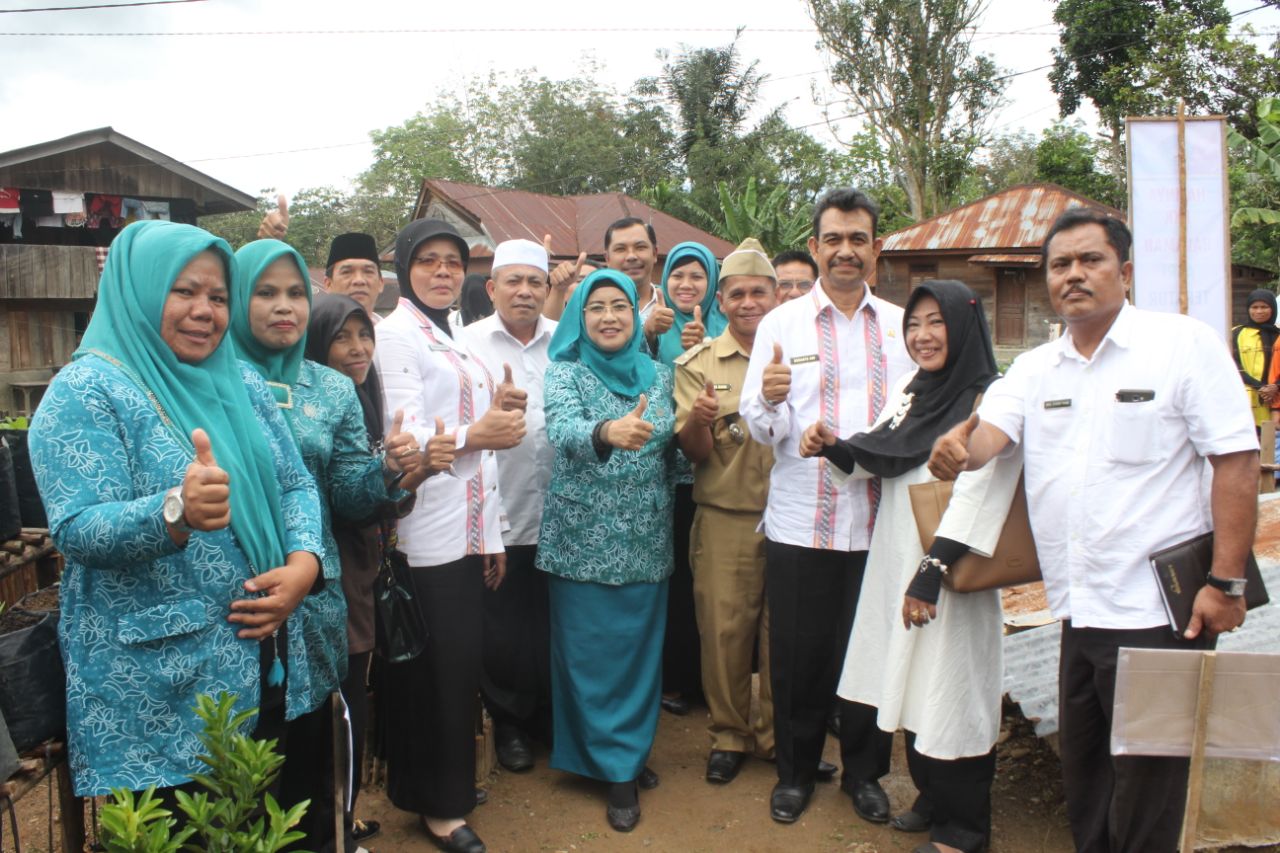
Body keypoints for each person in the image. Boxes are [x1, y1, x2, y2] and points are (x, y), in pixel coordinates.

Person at [929, 209, 1258, 853]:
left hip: (1164, 616)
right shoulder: (1035, 370)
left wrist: (1227, 581)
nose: (1073, 275)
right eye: (1059, 265)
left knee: (1151, 785)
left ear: (1125, 271)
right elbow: (988, 438)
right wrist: (958, 449)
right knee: (1088, 776)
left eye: (1090, 260)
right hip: (1079, 611)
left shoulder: (1182, 345)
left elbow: (1238, 464)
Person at [29, 220, 324, 797]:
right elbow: (76, 527)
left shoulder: (239, 380)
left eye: (217, 297)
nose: (204, 311)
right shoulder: (88, 390)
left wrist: (303, 565)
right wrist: (175, 512)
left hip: (264, 654)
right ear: (138, 288)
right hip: (157, 688)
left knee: (264, 824)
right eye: (183, 291)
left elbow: (295, 484)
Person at [800, 280, 1011, 853]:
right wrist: (832, 445)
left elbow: (985, 492)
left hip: (951, 567)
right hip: (898, 555)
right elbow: (883, 455)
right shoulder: (912, 389)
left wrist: (932, 571)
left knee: (951, 689)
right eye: (914, 323)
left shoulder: (989, 397)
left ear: (965, 326)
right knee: (915, 685)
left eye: (936, 322)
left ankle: (964, 829)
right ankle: (932, 797)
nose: (922, 335)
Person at [230, 239, 426, 852]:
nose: (284, 307)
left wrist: (387, 473)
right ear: (237, 300)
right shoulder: (209, 379)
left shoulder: (330, 389)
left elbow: (344, 492)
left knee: (311, 750)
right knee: (233, 752)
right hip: (227, 597)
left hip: (313, 596)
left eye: (295, 293)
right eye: (265, 293)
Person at [741, 188, 914, 824]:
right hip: (799, 519)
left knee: (871, 651)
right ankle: (795, 773)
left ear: (876, 247)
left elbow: (914, 416)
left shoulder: (901, 326)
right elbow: (757, 426)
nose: (846, 251)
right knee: (797, 655)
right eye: (833, 239)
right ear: (815, 248)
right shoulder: (781, 326)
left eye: (858, 239)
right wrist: (772, 401)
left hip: (879, 521)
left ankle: (865, 775)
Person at [375, 218, 526, 853]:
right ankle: (439, 806)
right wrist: (476, 435)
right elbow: (401, 436)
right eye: (429, 261)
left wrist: (491, 534)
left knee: (458, 667)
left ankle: (441, 785)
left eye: (452, 262)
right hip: (424, 532)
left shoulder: (455, 335)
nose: (442, 271)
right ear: (407, 268)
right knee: (434, 672)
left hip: (466, 533)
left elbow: (485, 449)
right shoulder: (395, 337)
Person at [538, 268, 675, 833]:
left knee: (638, 656)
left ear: (634, 313)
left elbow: (676, 449)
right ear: (580, 318)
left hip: (645, 538)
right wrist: (605, 433)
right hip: (580, 543)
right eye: (596, 308)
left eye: (620, 305)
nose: (610, 316)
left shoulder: (662, 376)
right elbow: (562, 429)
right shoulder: (562, 373)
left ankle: (627, 753)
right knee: (587, 656)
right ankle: (613, 768)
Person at [673, 237, 778, 784]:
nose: (747, 302)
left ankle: (779, 736)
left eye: (758, 291)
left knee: (786, 635)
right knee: (723, 633)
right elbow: (694, 452)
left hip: (794, 518)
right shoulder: (698, 363)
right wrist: (698, 419)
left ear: (776, 296)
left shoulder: (799, 353)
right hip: (726, 514)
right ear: (720, 302)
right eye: (736, 293)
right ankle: (730, 735)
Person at [459, 239, 557, 773]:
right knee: (503, 627)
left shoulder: (566, 342)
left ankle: (548, 719)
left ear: (547, 289)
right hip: (499, 512)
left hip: (563, 515)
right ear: (492, 287)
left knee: (552, 624)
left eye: (534, 282)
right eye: (513, 281)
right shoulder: (465, 344)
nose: (524, 291)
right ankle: (511, 725)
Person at [654, 241, 724, 716]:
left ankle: (710, 682)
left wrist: (705, 349)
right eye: (677, 275)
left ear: (712, 283)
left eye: (697, 276)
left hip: (717, 474)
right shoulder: (654, 332)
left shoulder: (724, 331)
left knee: (712, 579)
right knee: (676, 579)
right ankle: (675, 678)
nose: (686, 284)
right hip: (666, 477)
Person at [323, 232, 387, 320]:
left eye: (368, 271)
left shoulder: (394, 332)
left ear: (381, 283)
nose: (359, 280)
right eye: (346, 272)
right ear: (328, 284)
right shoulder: (311, 332)